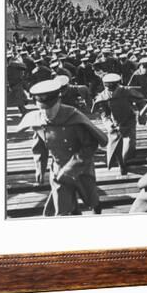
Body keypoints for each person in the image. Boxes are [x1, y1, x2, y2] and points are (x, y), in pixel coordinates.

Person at [16, 79, 107, 216]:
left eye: (50, 108)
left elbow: (90, 145)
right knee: (62, 208)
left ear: (58, 101)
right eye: (43, 108)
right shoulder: (38, 120)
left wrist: (71, 168)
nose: (47, 113)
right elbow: (39, 146)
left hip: (81, 168)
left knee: (91, 199)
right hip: (58, 170)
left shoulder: (74, 117)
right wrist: (40, 168)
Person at [92, 74, 147, 175]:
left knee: (129, 144)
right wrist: (109, 124)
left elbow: (141, 101)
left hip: (129, 121)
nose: (111, 91)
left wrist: (141, 114)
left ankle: (126, 160)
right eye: (109, 88)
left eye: (113, 87)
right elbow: (104, 114)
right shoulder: (103, 96)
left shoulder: (127, 91)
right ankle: (122, 165)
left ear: (117, 84)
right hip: (114, 124)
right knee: (115, 146)